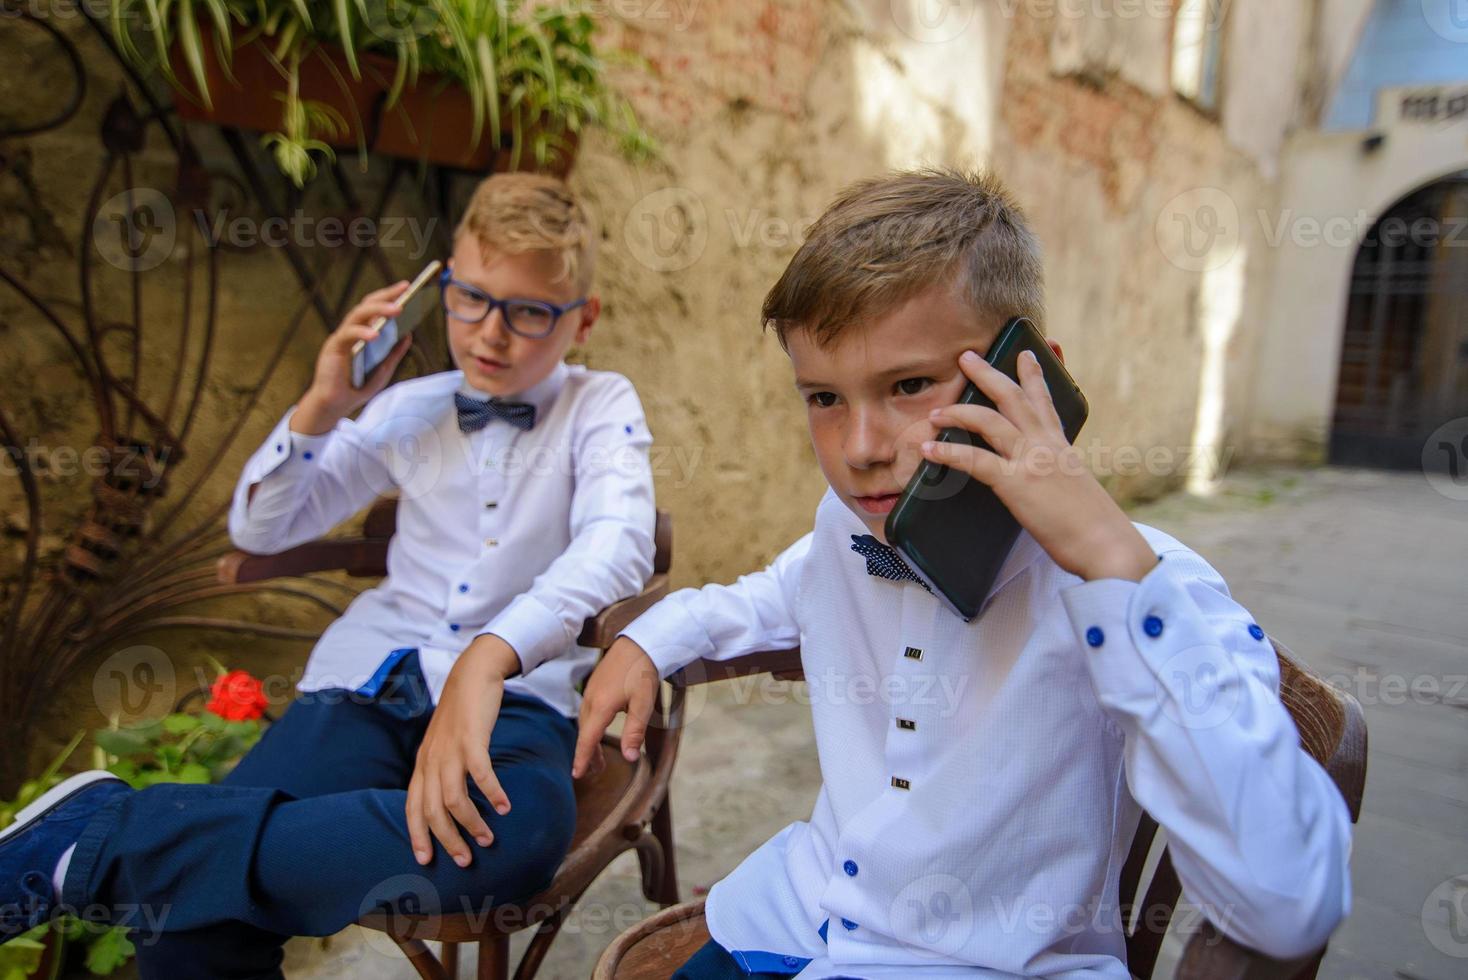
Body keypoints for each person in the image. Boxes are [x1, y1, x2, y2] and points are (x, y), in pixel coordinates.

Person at [574, 168, 1352, 979]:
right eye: (824, 398)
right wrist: (646, 641)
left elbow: (1290, 899)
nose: (861, 447)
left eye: (908, 385)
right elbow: (767, 598)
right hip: (793, 917)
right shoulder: (848, 525)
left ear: (1033, 378)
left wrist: (1112, 563)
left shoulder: (1151, 586)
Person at [0, 173, 657, 980]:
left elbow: (617, 543)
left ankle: (103, 835)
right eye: (468, 299)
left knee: (513, 841)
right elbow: (264, 528)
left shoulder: (599, 405)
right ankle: (124, 841)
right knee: (189, 927)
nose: (490, 334)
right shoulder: (406, 405)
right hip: (368, 684)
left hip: (516, 695)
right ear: (439, 287)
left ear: (581, 319)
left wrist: (496, 649)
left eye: (527, 312)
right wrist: (323, 403)